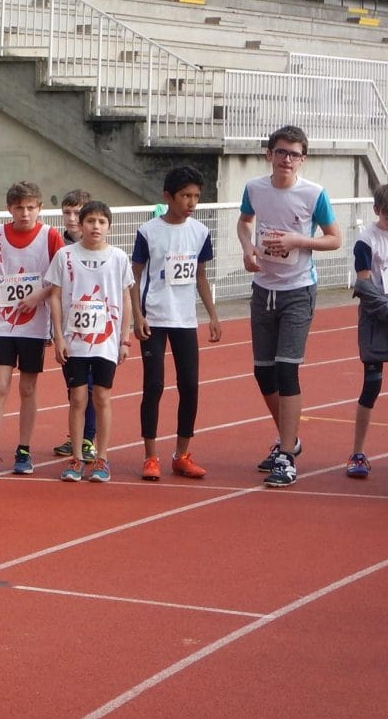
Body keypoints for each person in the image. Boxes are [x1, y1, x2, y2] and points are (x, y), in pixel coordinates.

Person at [236, 125, 341, 488]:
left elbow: (335, 239)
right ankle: (290, 440)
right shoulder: (255, 189)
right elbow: (243, 223)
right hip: (263, 288)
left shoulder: (314, 194)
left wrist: (297, 240)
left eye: (294, 154)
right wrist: (248, 249)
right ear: (269, 154)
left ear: (303, 159)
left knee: (286, 369)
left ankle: (285, 454)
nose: (287, 160)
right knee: (263, 372)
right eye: (281, 152)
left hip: (298, 290)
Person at [130, 166, 222, 481]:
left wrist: (212, 314)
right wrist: (137, 315)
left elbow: (200, 276)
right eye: (185, 196)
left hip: (184, 319)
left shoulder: (200, 232)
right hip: (154, 317)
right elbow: (135, 275)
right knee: (154, 385)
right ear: (168, 196)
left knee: (190, 387)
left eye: (196, 196)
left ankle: (182, 454)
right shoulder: (148, 231)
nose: (191, 202)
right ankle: (150, 456)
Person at [0, 181, 64, 477]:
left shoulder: (50, 237)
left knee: (27, 388)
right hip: (3, 324)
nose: (25, 213)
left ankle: (24, 449)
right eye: (19, 208)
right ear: (9, 209)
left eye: (31, 208)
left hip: (35, 326)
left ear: (40, 209)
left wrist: (39, 295)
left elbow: (60, 279)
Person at [45, 200, 134, 482]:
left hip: (106, 340)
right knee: (77, 398)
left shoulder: (119, 258)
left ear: (109, 226)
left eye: (101, 222)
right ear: (80, 225)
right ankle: (76, 457)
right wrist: (58, 335)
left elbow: (126, 299)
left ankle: (102, 458)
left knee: (102, 396)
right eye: (90, 221)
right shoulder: (65, 256)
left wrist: (125, 339)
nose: (95, 226)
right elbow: (56, 297)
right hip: (75, 340)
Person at [53, 188, 98, 462]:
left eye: (76, 213)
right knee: (74, 386)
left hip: (95, 329)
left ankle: (88, 438)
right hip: (68, 328)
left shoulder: (98, 245)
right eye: (66, 213)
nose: (71, 219)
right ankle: (78, 434)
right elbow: (53, 289)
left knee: (91, 386)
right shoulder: (57, 245)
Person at [348, 183, 388, 479]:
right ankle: (358, 453)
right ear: (377, 211)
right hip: (376, 319)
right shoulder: (366, 241)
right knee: (371, 386)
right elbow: (364, 285)